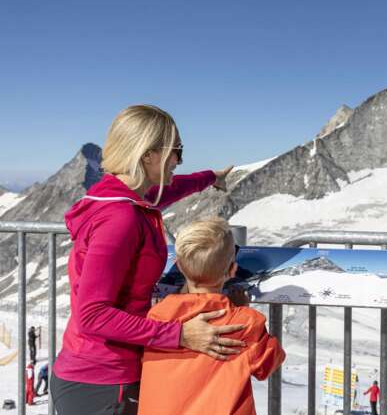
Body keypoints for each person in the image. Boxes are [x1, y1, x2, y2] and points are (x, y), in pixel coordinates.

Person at [51, 105, 244, 415]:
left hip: (97, 373)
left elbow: (166, 190)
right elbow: (93, 314)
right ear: (147, 155)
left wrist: (210, 178)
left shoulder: (115, 195)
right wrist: (180, 335)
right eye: (176, 151)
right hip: (103, 382)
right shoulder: (120, 219)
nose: (179, 161)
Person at [138, 218, 285, 414]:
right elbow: (268, 363)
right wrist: (242, 311)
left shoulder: (158, 316)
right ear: (232, 270)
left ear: (179, 266)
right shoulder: (244, 323)